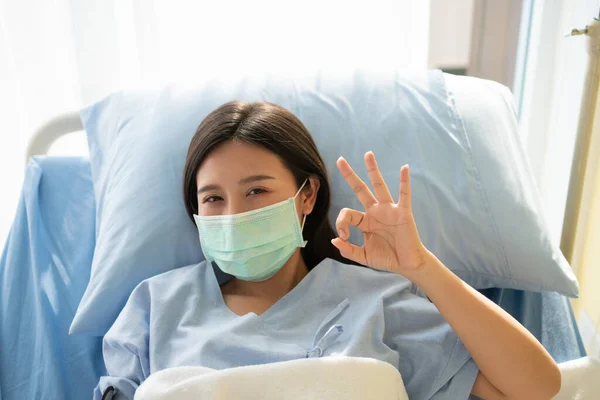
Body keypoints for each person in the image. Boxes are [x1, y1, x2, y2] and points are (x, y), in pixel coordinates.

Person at [94, 101, 561, 400]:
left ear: (307, 196)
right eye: (213, 198)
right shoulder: (155, 307)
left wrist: (423, 267)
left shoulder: (377, 302)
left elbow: (536, 387)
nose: (233, 214)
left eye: (256, 191)